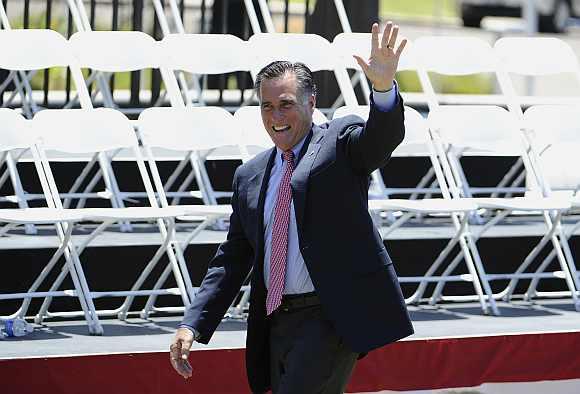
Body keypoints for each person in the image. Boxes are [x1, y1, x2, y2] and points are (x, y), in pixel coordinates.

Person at [170, 21, 413, 394]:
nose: (275, 117)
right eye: (267, 106)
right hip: (276, 322)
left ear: (310, 103)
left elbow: (380, 140)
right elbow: (232, 258)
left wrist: (382, 89)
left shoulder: (339, 143)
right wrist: (193, 324)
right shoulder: (249, 176)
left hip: (330, 316)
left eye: (286, 104)